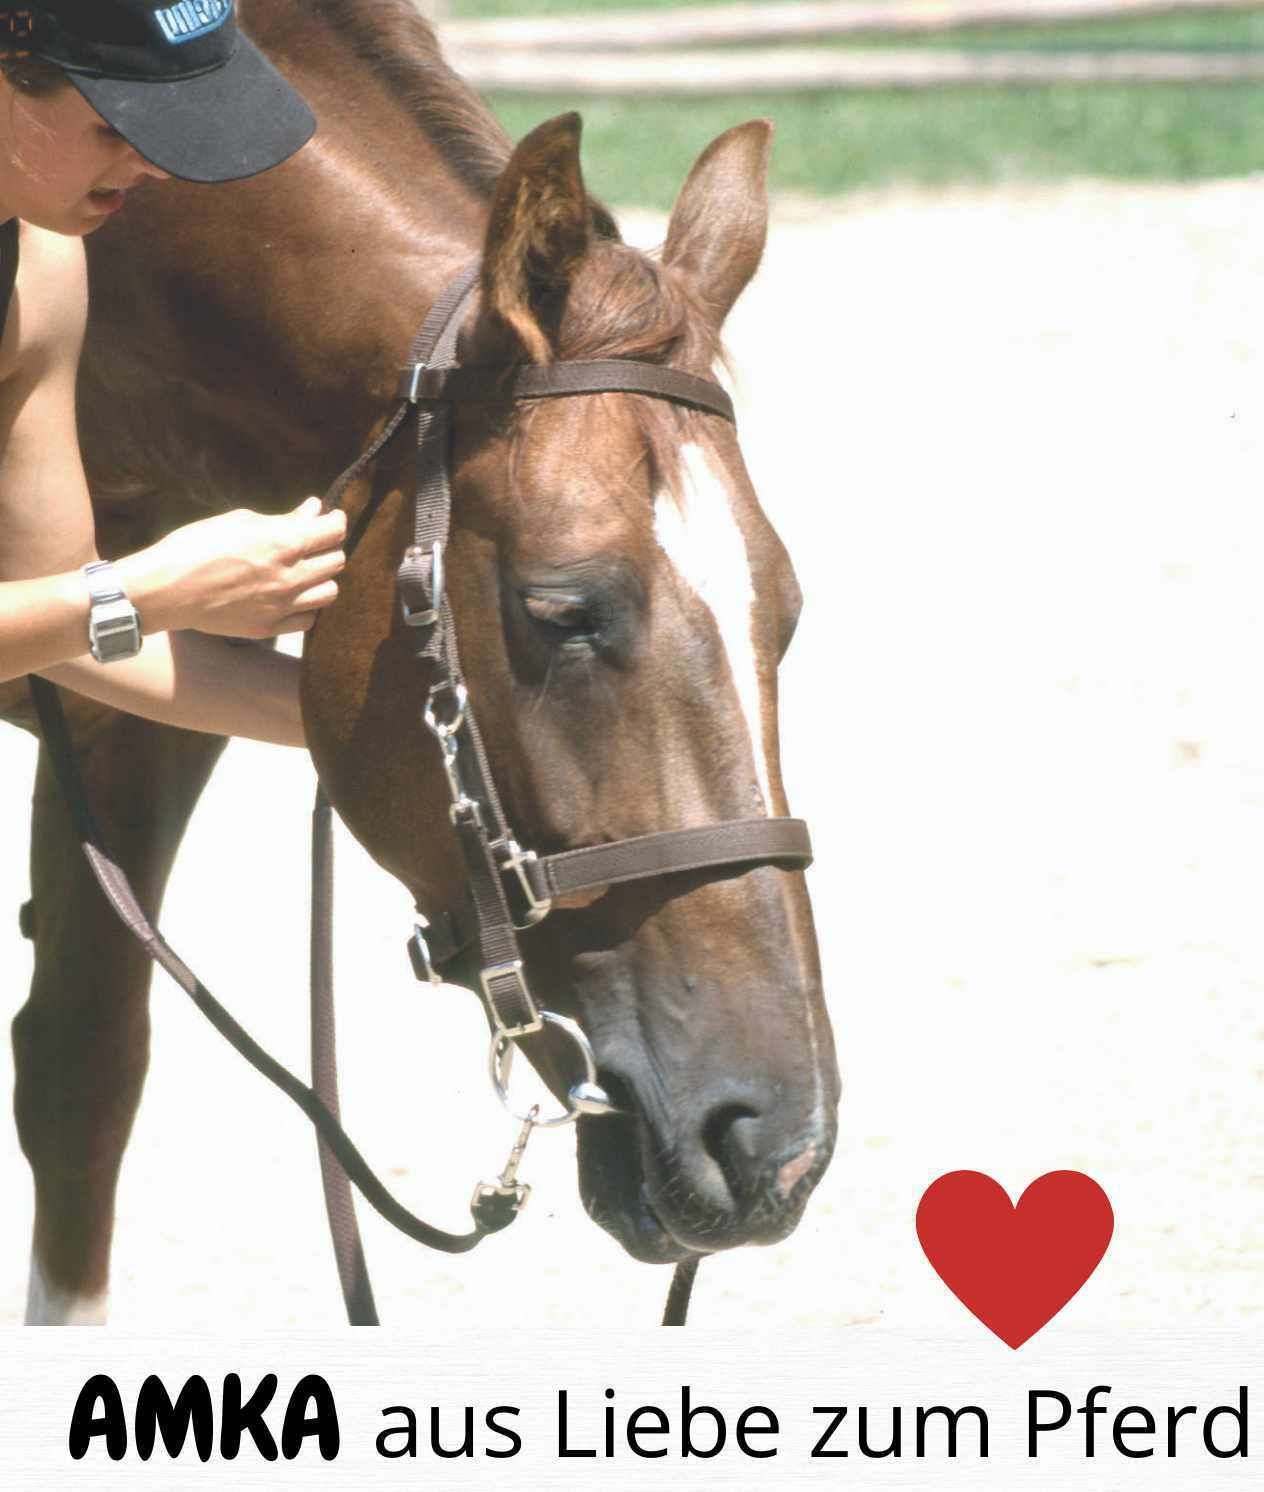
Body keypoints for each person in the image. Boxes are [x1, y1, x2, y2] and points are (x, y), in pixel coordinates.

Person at [0, 0, 346, 748]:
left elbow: (56, 620)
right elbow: (91, 609)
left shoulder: (38, 264)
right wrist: (151, 591)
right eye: (118, 126)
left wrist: (401, 728)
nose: (155, 163)